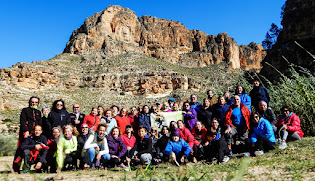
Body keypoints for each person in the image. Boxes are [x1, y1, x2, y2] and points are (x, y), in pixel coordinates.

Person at [13, 96, 42, 173]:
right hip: (25, 133)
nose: (34, 103)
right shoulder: (25, 110)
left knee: (33, 150)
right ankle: (16, 168)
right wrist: (26, 131)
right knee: (21, 149)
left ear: (38, 103)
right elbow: (22, 121)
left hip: (35, 134)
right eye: (32, 102)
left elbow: (39, 123)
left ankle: (28, 166)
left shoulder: (38, 112)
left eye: (36, 102)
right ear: (30, 102)